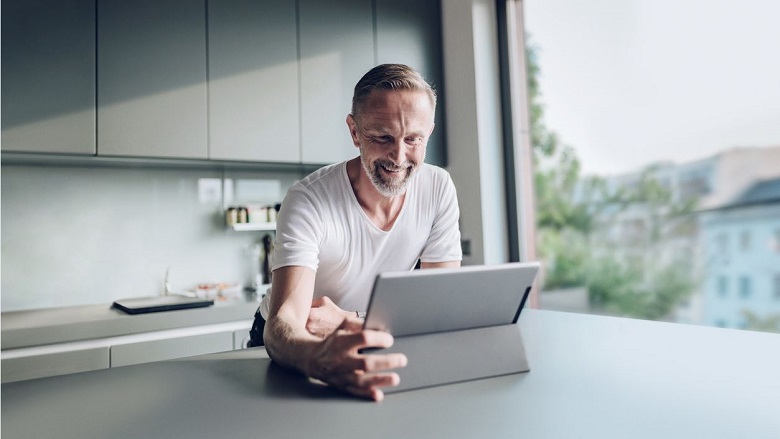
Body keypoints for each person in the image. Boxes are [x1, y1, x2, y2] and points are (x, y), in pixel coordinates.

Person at [249, 64, 462, 400]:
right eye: (382, 137)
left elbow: (438, 308)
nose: (399, 156)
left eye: (413, 139)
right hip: (298, 345)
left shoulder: (438, 187)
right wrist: (319, 359)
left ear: (429, 133)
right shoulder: (309, 199)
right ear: (354, 131)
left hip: (378, 336)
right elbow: (283, 324)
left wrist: (351, 320)